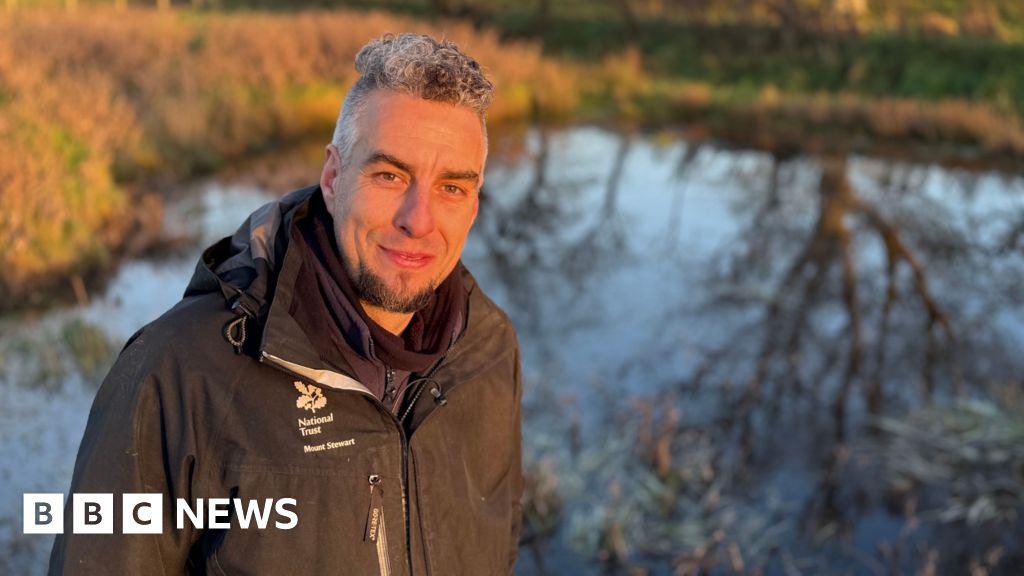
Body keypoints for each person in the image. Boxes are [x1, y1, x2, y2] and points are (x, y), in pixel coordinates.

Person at [49, 33, 523, 575]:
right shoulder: (178, 371)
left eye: (452, 188)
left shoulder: (488, 346)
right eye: (389, 176)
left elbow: (499, 539)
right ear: (333, 176)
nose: (418, 219)